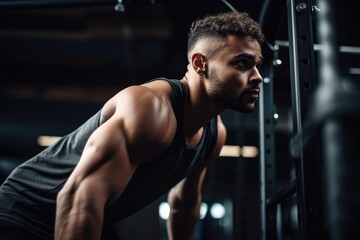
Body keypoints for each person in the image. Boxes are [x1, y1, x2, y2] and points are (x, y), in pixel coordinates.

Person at [0, 11, 264, 240]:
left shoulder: (214, 134)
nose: (258, 77)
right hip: (25, 213)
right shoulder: (151, 109)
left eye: (257, 65)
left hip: (90, 214)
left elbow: (183, 204)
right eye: (242, 63)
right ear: (199, 64)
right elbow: (77, 195)